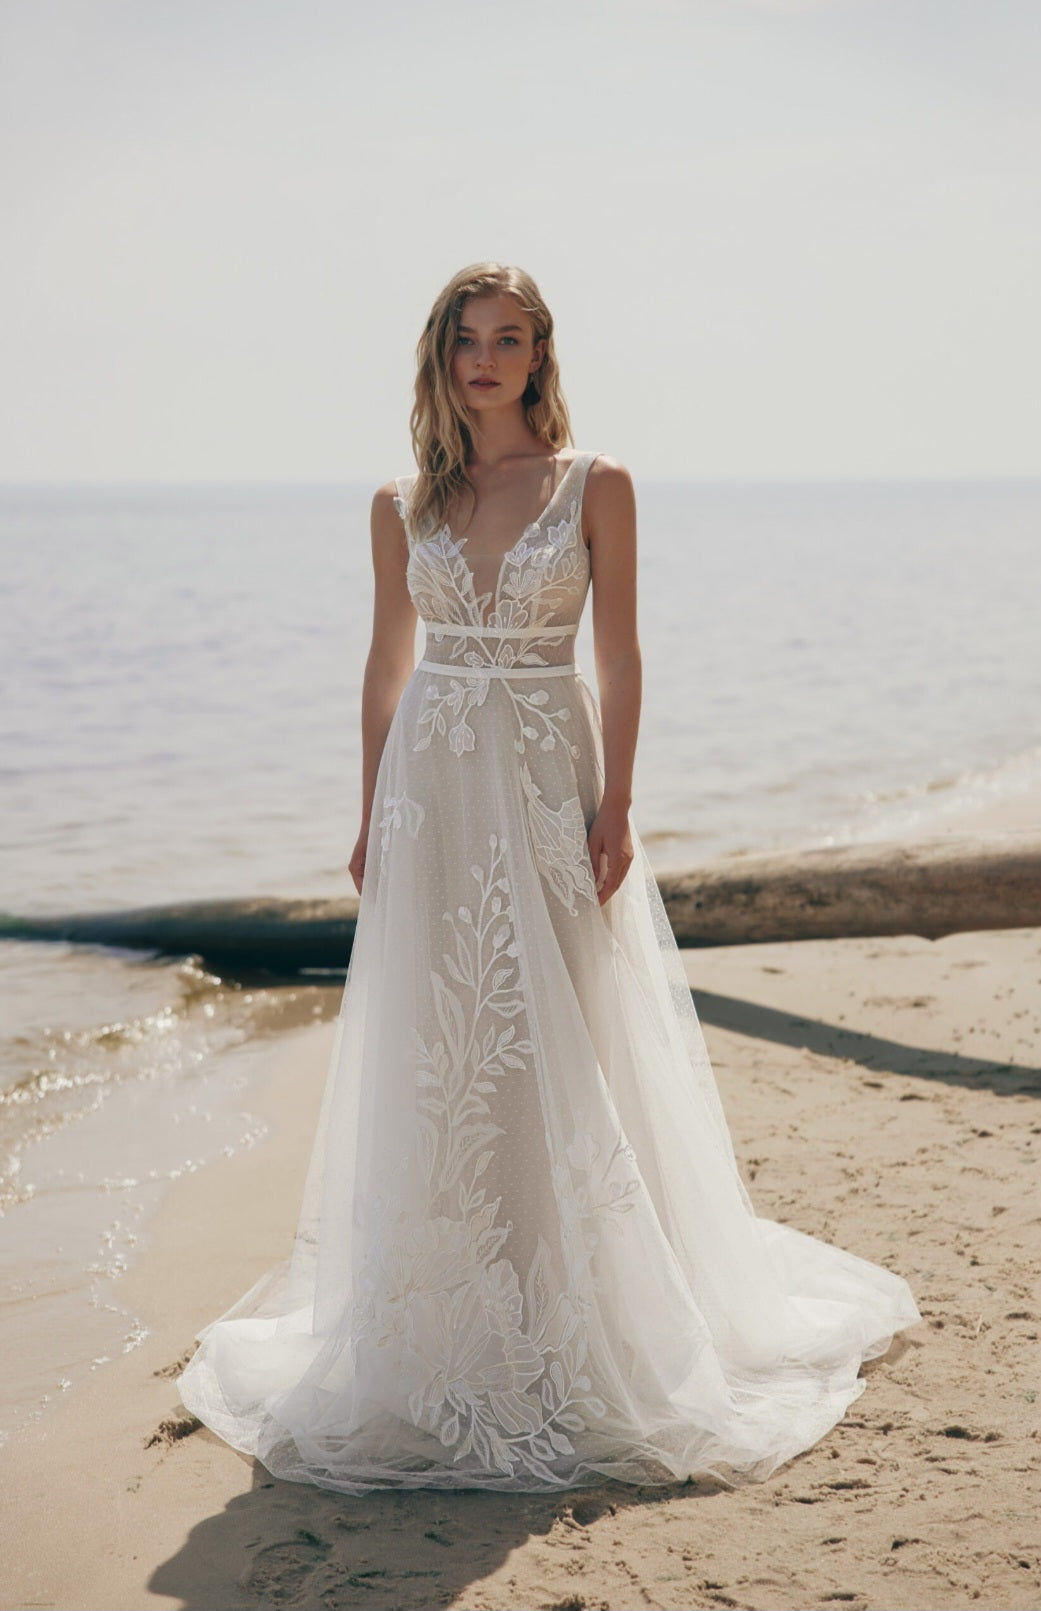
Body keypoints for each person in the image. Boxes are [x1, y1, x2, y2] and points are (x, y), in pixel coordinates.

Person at [177, 261, 920, 1494]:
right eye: (467, 339)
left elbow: (620, 655)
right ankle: (456, 1300)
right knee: (445, 1045)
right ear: (442, 356)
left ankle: (579, 1301)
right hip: (431, 792)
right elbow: (384, 664)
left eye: (508, 339)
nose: (486, 359)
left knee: (558, 1031)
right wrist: (370, 814)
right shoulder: (401, 501)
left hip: (540, 774)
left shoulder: (597, 486)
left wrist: (619, 799)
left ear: (539, 355)